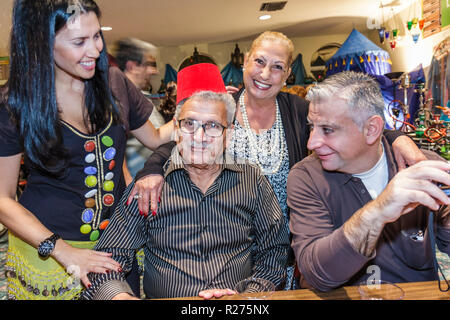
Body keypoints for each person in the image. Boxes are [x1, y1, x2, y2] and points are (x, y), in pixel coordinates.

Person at [129, 31, 427, 290]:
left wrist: (395, 138)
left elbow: (350, 124)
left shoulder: (299, 110)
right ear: (245, 61)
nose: (265, 74)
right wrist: (152, 170)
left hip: (293, 249)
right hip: (233, 251)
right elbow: (173, 142)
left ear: (287, 75)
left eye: (277, 67)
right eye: (259, 62)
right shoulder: (220, 109)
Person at [0, 0, 171, 300]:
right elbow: (2, 199)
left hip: (115, 244)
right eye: (79, 41)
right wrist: (62, 251)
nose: (95, 50)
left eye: (96, 37)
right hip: (48, 254)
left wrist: (205, 114)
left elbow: (157, 139)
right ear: (42, 44)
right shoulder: (15, 102)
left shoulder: (115, 83)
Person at [81, 63, 289, 300]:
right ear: (177, 130)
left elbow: (275, 250)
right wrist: (120, 297)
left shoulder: (251, 180)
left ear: (228, 134)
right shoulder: (149, 187)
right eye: (189, 124)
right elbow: (106, 258)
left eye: (211, 126)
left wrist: (249, 296)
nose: (199, 137)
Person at [287, 71, 450, 291]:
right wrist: (379, 210)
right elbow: (318, 274)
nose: (312, 142)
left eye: (327, 129)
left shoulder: (422, 168)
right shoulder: (306, 177)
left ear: (371, 129)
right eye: (311, 127)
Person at [113, 38, 166, 181]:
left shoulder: (140, 99)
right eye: (148, 64)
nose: (154, 71)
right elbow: (157, 140)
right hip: (136, 187)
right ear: (132, 66)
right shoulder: (122, 102)